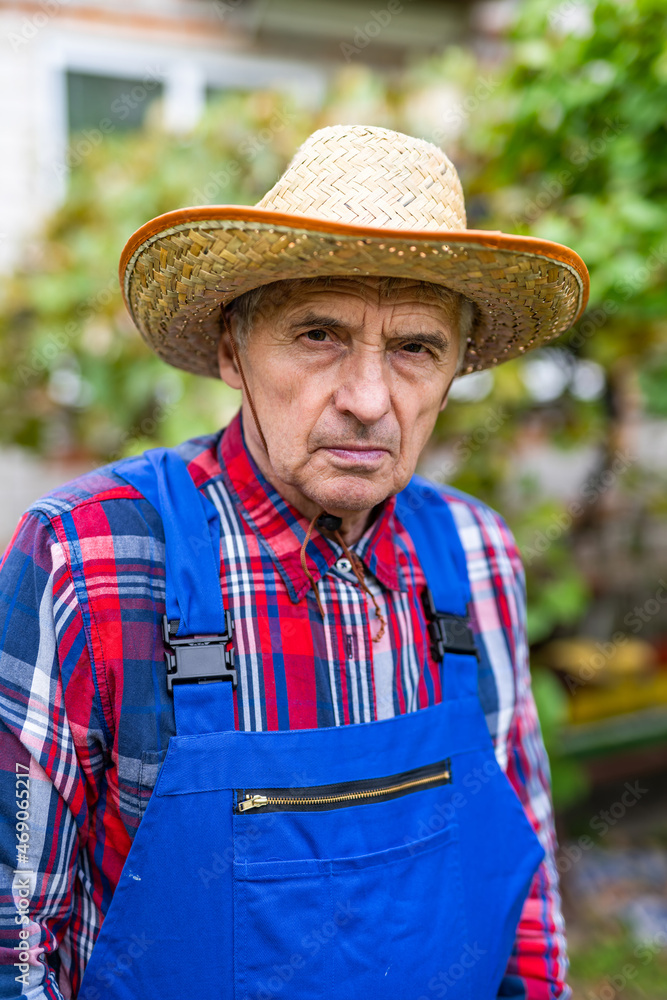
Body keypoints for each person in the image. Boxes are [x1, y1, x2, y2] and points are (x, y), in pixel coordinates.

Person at [0, 124, 588, 1000]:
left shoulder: (475, 552)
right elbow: (17, 940)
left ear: (457, 367)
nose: (365, 400)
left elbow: (523, 897)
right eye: (318, 334)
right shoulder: (93, 555)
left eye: (414, 348)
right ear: (234, 351)